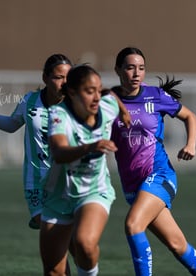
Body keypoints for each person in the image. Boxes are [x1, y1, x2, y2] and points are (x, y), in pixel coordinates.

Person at [111, 47, 196, 276]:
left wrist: (191, 144)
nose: (136, 73)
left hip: (159, 175)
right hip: (132, 186)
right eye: (130, 68)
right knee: (178, 244)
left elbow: (190, 116)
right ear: (118, 70)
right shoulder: (108, 101)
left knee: (132, 225)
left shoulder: (155, 96)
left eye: (141, 68)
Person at [0, 54, 73, 230]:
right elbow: (12, 125)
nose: (64, 83)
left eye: (68, 78)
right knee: (50, 230)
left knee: (70, 240)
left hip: (66, 180)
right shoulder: (30, 100)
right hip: (36, 181)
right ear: (45, 78)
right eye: (58, 77)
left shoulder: (76, 104)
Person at [39, 64, 124, 276]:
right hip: (59, 195)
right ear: (72, 92)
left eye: (98, 90)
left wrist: (124, 112)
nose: (96, 97)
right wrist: (91, 147)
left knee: (84, 243)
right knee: (54, 271)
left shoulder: (106, 107)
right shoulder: (59, 115)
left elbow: (111, 97)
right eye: (89, 91)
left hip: (95, 190)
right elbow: (59, 152)